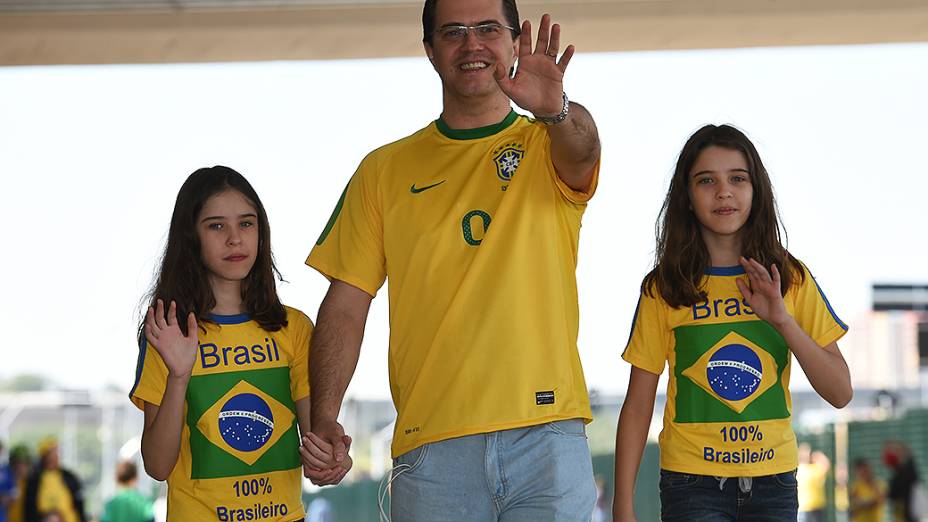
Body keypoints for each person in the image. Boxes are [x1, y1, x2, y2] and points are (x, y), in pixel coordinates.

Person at [303, 0, 602, 518]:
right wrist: (325, 416)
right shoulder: (383, 170)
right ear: (430, 51)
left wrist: (554, 110)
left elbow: (585, 150)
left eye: (489, 28)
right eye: (453, 32)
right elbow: (347, 302)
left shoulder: (546, 142)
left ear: (513, 43)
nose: (472, 44)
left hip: (546, 436)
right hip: (432, 448)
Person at [613, 124, 853, 522]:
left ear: (756, 191)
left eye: (737, 179)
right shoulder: (665, 288)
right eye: (706, 180)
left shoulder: (790, 278)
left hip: (774, 483)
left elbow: (841, 392)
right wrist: (623, 506)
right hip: (691, 483)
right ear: (687, 198)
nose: (724, 191)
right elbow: (638, 405)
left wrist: (782, 321)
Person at [129, 166, 349, 522]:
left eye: (246, 223)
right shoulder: (167, 332)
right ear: (191, 237)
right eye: (216, 226)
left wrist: (331, 459)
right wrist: (179, 376)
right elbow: (156, 465)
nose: (235, 238)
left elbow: (314, 446)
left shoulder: (294, 328)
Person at [23, 438, 87, 522]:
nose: (54, 456)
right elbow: (29, 507)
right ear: (43, 455)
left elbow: (79, 503)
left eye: (56, 452)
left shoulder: (69, 477)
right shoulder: (34, 479)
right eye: (50, 452)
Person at [884, 441, 920, 522]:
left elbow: (891, 496)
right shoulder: (909, 470)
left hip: (904, 514)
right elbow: (910, 457)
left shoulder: (896, 478)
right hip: (911, 512)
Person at [797, 444, 830, 522]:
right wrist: (817, 455)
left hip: (815, 507)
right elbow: (826, 464)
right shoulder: (799, 469)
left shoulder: (814, 468)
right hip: (804, 508)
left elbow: (826, 465)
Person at [850, 457, 885, 522]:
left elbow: (878, 501)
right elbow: (855, 503)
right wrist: (867, 503)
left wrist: (864, 503)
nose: (865, 472)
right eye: (861, 470)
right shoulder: (855, 487)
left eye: (866, 469)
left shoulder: (879, 484)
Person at [6, 445, 31, 522]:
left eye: (23, 463)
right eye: (16, 463)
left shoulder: (33, 484)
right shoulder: (6, 482)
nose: (20, 467)